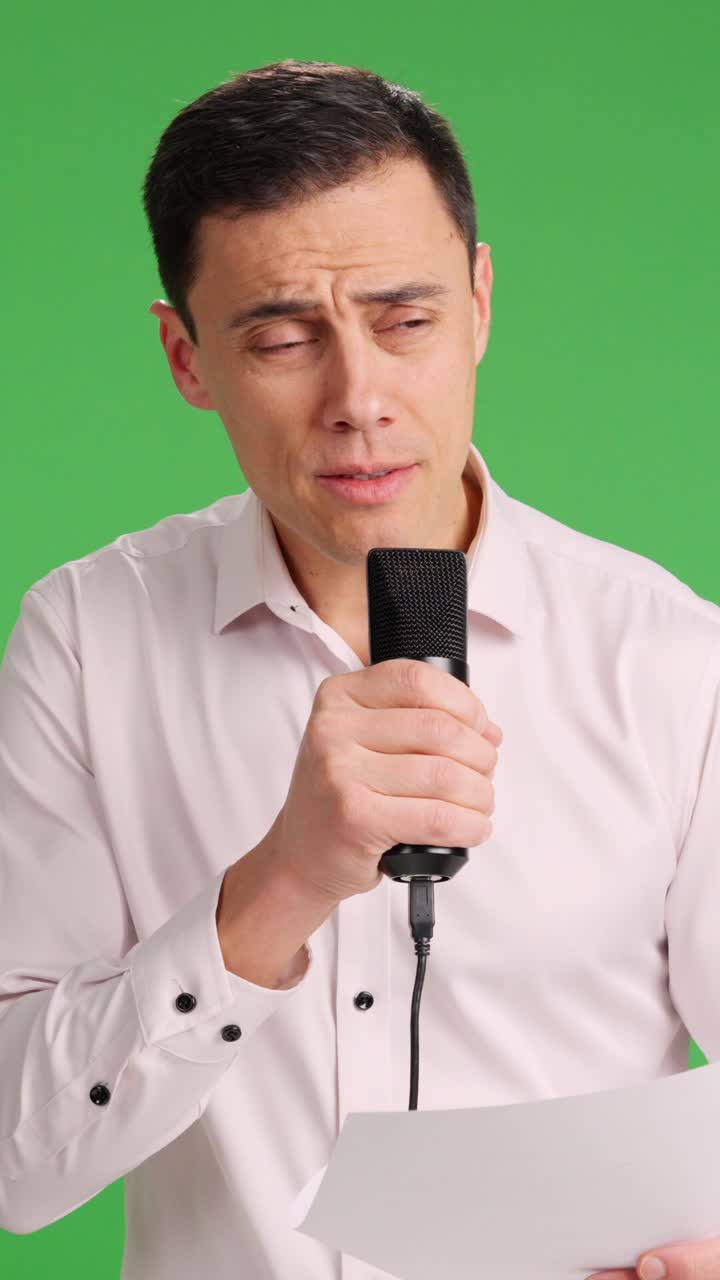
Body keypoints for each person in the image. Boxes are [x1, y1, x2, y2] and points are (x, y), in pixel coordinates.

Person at [1, 57, 719, 1280]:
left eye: (406, 321)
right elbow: (18, 1167)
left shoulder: (667, 655)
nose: (359, 397)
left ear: (482, 302)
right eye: (284, 336)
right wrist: (279, 885)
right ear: (186, 358)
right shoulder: (88, 637)